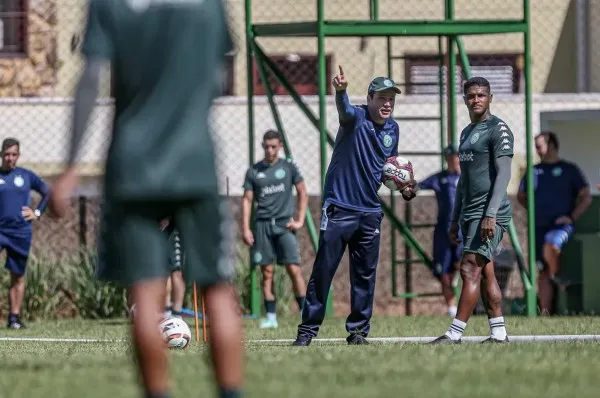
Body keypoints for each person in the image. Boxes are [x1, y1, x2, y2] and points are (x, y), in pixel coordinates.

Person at [48, 1, 244, 398]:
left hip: (132, 165)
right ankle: (230, 392)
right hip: (195, 161)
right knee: (216, 289)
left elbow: (89, 80)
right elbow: (220, 69)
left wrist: (70, 166)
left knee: (144, 290)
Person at [293, 66, 417, 347]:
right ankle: (307, 331)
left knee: (364, 275)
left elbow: (388, 170)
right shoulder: (355, 117)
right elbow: (344, 110)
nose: (387, 104)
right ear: (370, 98)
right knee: (323, 271)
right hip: (339, 207)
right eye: (382, 98)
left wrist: (406, 187)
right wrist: (340, 91)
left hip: (370, 212)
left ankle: (358, 331)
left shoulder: (393, 130)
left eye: (391, 100)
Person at [430, 77, 514, 344]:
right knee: (486, 270)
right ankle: (498, 332)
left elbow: (503, 174)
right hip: (469, 213)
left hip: (491, 213)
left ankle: (454, 334)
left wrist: (490, 214)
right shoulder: (466, 133)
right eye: (471, 96)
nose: (476, 99)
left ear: (490, 98)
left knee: (469, 268)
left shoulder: (498, 129)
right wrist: (455, 219)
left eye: (481, 95)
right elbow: (463, 183)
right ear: (464, 99)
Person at [517, 131, 591, 315]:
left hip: (561, 226)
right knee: (541, 270)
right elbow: (521, 196)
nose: (537, 150)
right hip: (538, 226)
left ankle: (555, 275)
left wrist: (571, 217)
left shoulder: (569, 170)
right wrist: (536, 211)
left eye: (539, 145)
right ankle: (545, 312)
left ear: (551, 145)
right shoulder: (533, 171)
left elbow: (586, 197)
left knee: (552, 244)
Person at [241, 130, 308, 329]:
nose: (269, 150)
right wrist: (246, 228)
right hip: (262, 225)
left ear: (280, 146)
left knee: (293, 269)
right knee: (267, 272)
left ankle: (305, 312)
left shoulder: (288, 167)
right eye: (266, 146)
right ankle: (271, 317)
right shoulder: (254, 171)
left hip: (284, 224)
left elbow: (303, 192)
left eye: (273, 146)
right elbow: (247, 200)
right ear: (262, 146)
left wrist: (300, 219)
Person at [0, 137, 49, 329]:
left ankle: (14, 318)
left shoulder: (26, 176)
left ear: (18, 156)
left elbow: (48, 192)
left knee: (17, 276)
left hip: (20, 233)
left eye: (14, 154)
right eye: (7, 155)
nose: (10, 158)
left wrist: (36, 212)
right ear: (1, 155)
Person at [417, 145, 462, 317]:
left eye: (458, 156)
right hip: (443, 230)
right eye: (452, 157)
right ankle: (452, 309)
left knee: (464, 265)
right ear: (447, 159)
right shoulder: (440, 178)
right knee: (443, 271)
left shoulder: (468, 178)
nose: (455, 160)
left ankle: (469, 303)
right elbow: (418, 186)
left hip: (463, 231)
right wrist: (406, 185)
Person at [161, 217, 186, 319]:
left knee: (176, 270)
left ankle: (176, 313)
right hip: (158, 227)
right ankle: (165, 311)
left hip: (176, 227)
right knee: (162, 270)